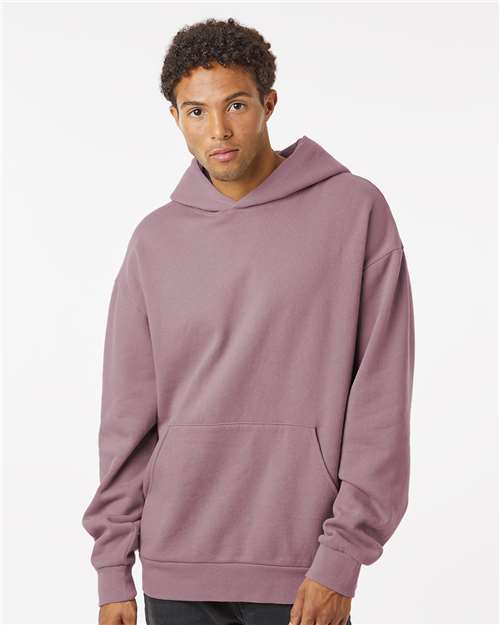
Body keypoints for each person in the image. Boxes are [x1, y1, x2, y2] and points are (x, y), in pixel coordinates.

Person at [81, 16, 415, 625]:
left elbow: (381, 398)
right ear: (176, 117)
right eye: (196, 112)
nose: (218, 130)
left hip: (304, 568)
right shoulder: (155, 241)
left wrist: (343, 556)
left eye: (235, 104)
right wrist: (112, 570)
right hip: (175, 566)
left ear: (269, 103)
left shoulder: (353, 212)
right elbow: (126, 419)